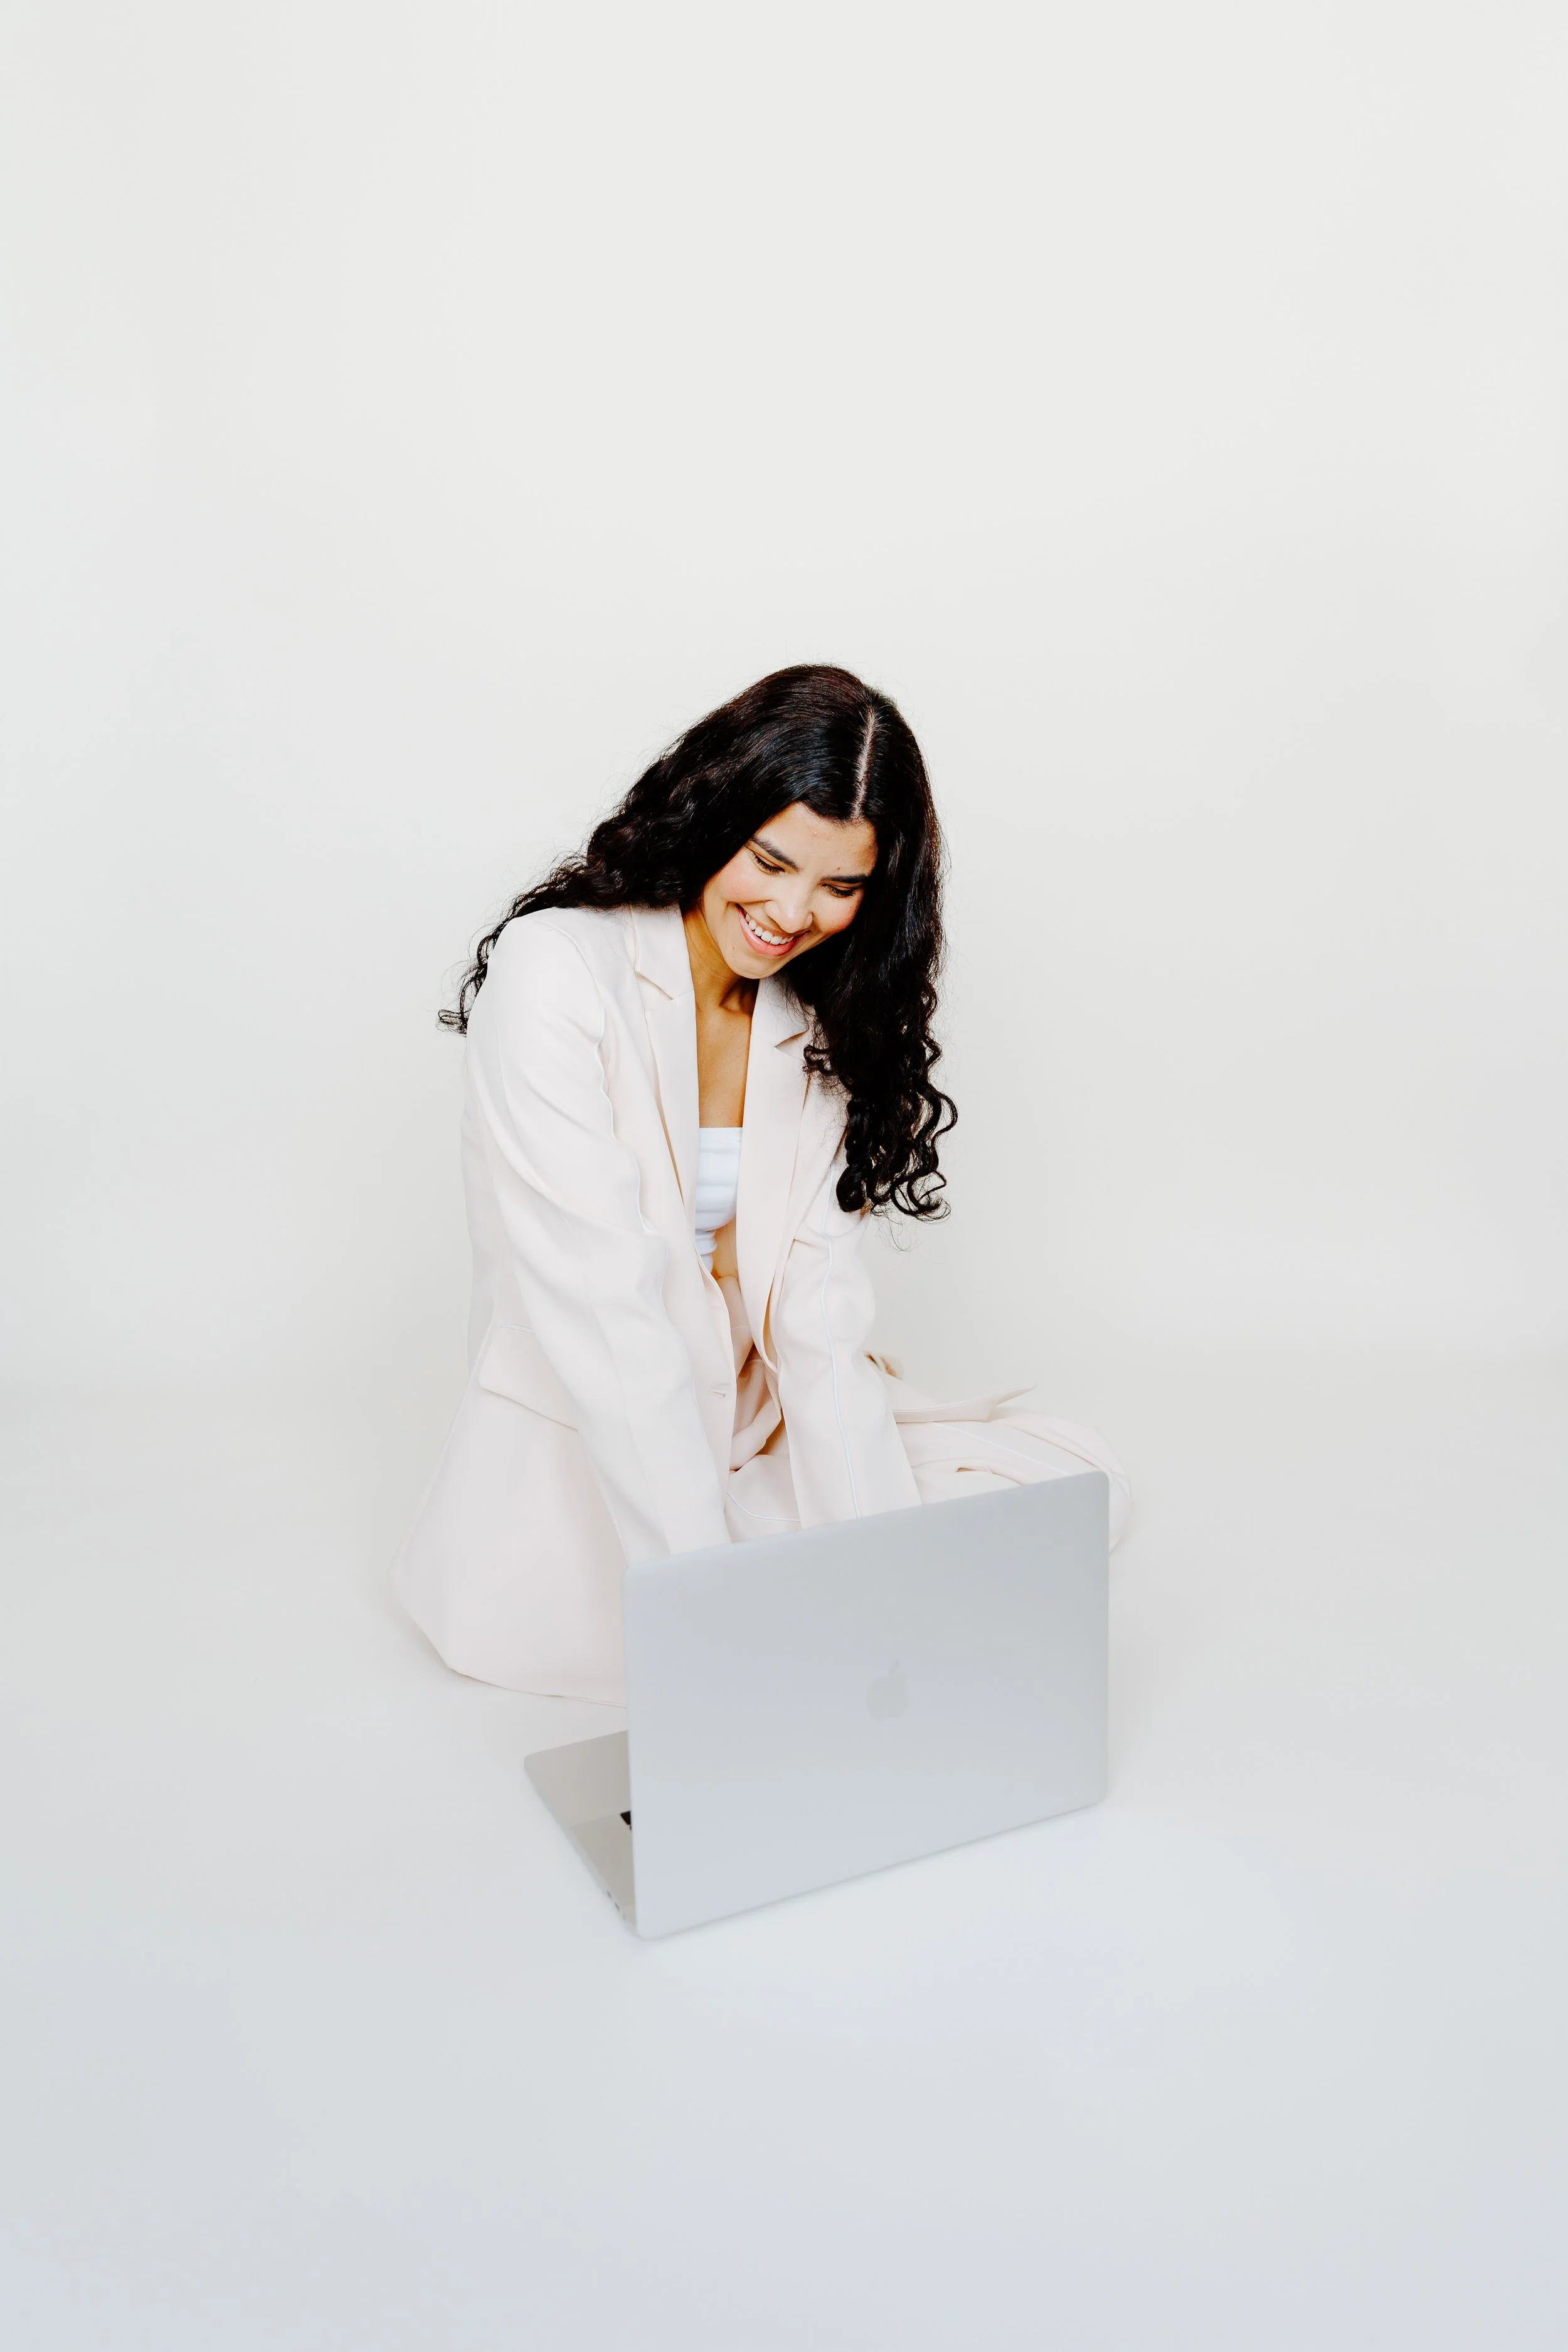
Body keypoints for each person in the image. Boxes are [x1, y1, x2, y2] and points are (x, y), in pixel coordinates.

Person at [393, 665, 1131, 1703]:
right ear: (713, 814)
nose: (792, 912)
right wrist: (716, 1607)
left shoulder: (808, 1023)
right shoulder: (556, 968)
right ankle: (750, 1595)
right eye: (771, 859)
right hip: (590, 1454)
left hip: (750, 1424)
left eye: (840, 887)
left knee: (1071, 1480)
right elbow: (607, 1315)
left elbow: (818, 1322)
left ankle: (814, 1581)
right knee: (768, 1637)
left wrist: (887, 1583)